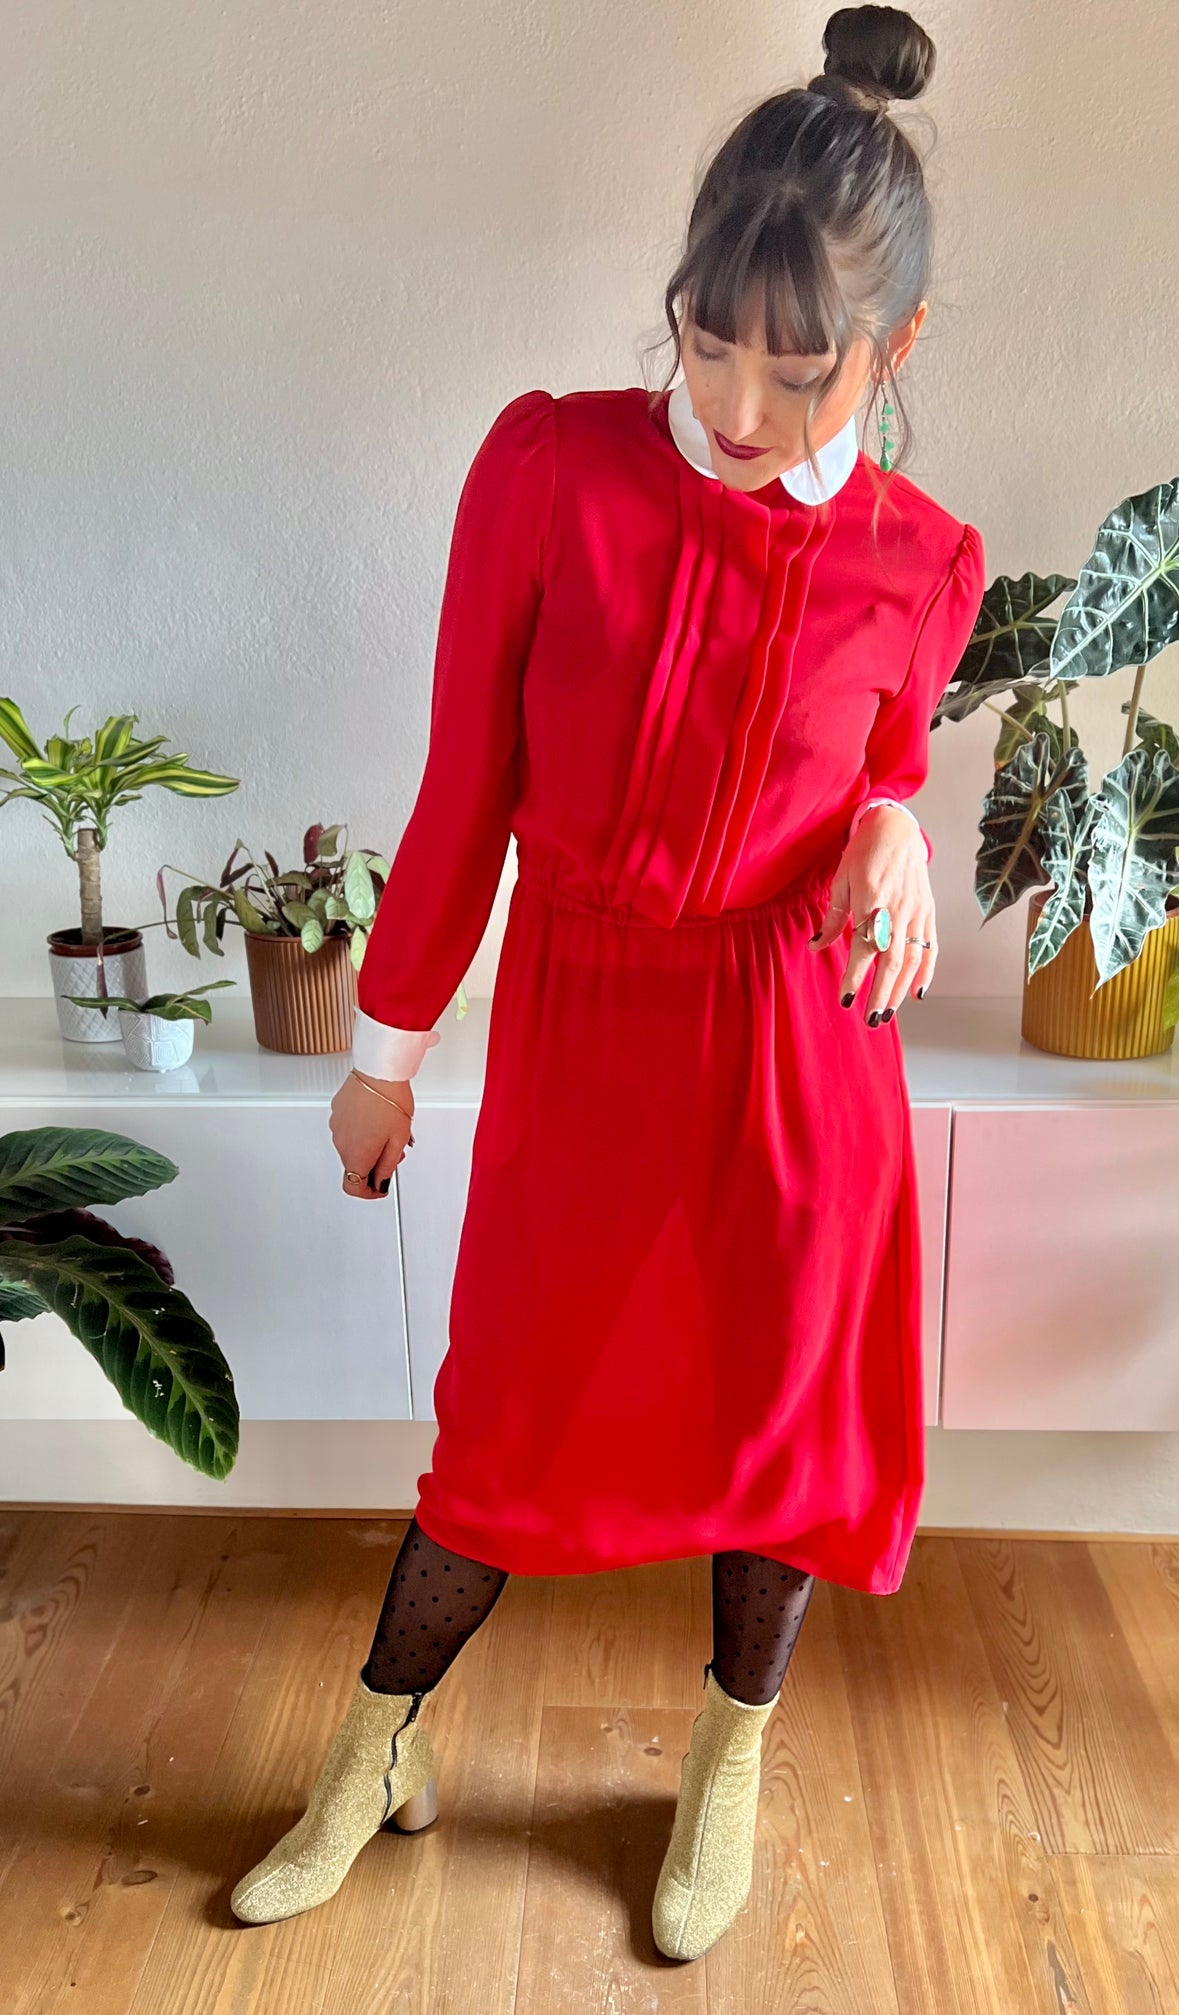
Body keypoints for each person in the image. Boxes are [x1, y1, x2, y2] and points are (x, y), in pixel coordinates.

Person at [230, 4, 985, 1963]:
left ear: (891, 354)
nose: (736, 396)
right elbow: (466, 782)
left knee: (784, 1433)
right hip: (589, 1027)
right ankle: (369, 1750)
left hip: (803, 1056)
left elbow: (877, 746)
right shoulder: (551, 472)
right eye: (705, 334)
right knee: (511, 1427)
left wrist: (889, 822)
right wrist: (385, 1053)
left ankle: (726, 1761)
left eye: (797, 366)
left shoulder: (932, 559)